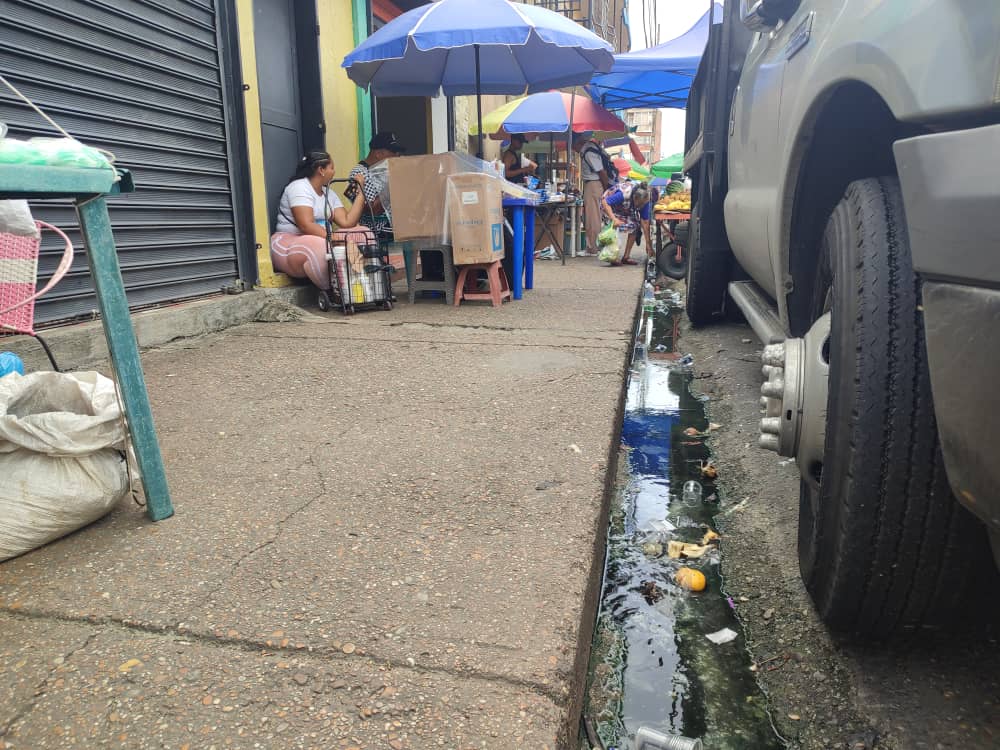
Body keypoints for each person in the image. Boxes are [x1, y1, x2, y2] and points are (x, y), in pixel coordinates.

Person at [269, 150, 367, 291]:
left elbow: (347, 221)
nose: (334, 172)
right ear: (321, 170)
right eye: (331, 168)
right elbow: (306, 225)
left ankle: (360, 286)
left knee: (363, 232)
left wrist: (360, 191)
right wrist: (334, 239)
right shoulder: (299, 187)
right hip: (289, 241)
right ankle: (337, 291)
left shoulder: (328, 193)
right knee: (321, 247)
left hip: (322, 237)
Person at [347, 131, 406, 234]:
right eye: (394, 153)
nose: (397, 156)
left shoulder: (385, 171)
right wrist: (393, 181)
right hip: (376, 233)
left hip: (396, 228)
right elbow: (372, 210)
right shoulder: (357, 173)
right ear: (379, 154)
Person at [573, 132, 611, 256]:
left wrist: (606, 190)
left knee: (592, 218)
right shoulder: (591, 149)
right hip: (593, 185)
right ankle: (593, 246)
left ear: (578, 143)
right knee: (593, 216)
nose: (574, 150)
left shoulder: (588, 152)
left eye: (573, 147)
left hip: (594, 185)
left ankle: (593, 248)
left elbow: (602, 172)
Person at [601, 180, 652, 266]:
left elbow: (645, 221)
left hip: (626, 209)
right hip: (610, 208)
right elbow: (605, 202)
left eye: (642, 205)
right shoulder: (623, 193)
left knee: (635, 226)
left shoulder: (645, 199)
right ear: (634, 198)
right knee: (616, 227)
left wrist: (648, 243)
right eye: (639, 205)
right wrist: (614, 219)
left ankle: (626, 257)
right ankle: (612, 256)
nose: (640, 207)